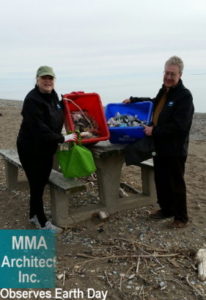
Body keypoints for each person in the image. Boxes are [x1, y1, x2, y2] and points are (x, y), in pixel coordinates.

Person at [123, 56, 194, 228]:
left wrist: (155, 130)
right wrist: (134, 100)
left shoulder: (184, 96)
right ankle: (166, 209)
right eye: (167, 73)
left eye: (173, 74)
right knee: (161, 180)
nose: (169, 77)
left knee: (175, 182)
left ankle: (181, 217)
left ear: (180, 75)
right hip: (160, 146)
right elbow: (153, 103)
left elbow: (181, 127)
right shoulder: (165, 90)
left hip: (175, 149)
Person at [17, 66, 77, 233]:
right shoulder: (32, 100)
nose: (47, 81)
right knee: (37, 183)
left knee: (41, 181)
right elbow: (39, 129)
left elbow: (59, 110)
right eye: (44, 78)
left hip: (46, 148)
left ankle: (33, 214)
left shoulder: (53, 96)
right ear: (37, 79)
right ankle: (42, 222)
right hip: (31, 149)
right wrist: (63, 138)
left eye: (50, 78)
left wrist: (72, 99)